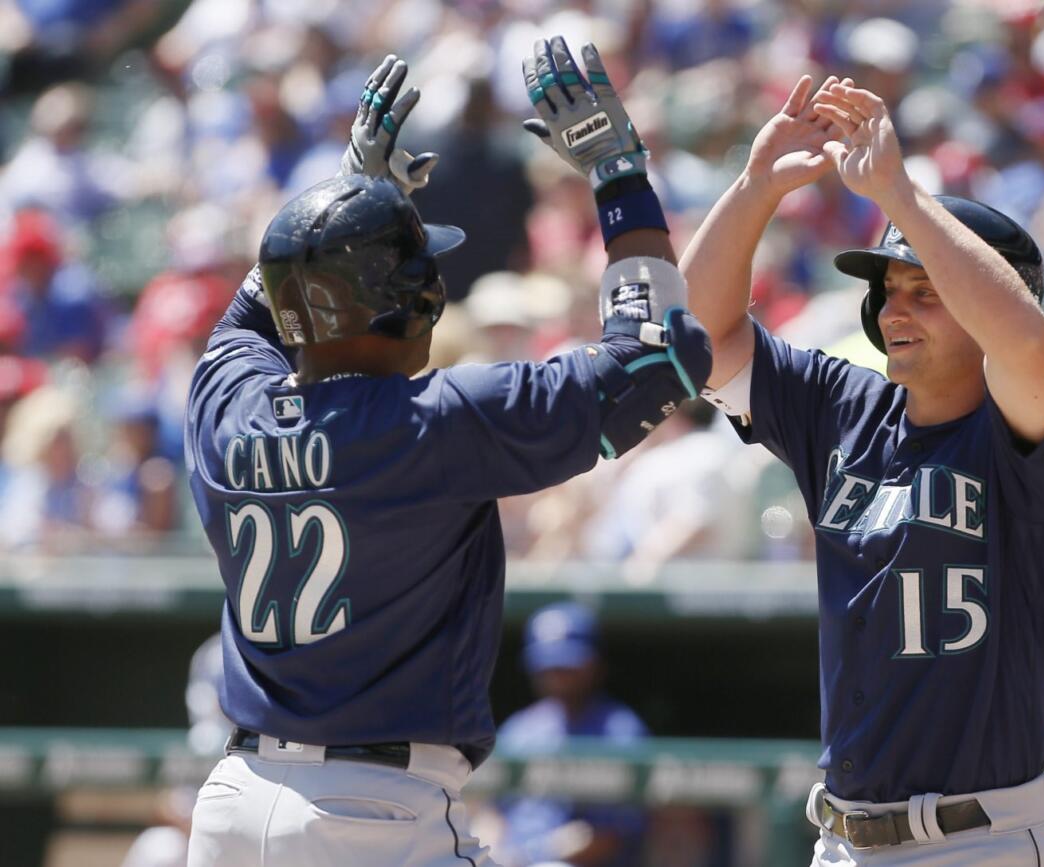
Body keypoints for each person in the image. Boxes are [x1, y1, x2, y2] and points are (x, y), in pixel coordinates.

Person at [183, 40, 711, 867]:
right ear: (414, 302)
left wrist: (346, 198)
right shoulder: (434, 420)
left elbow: (260, 307)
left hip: (233, 801)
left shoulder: (224, 401)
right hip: (373, 814)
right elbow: (661, 361)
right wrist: (620, 177)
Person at [680, 73, 1044, 865]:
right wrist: (756, 187)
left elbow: (1025, 344)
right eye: (890, 290)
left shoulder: (1030, 428)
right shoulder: (842, 408)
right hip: (844, 840)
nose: (894, 310)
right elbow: (696, 338)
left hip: (982, 837)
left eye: (924, 291)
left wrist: (897, 193)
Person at [490, 603, 648, 867]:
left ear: (593, 665)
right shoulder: (519, 729)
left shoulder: (620, 731)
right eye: (549, 666)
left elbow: (612, 836)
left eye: (566, 666)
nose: (557, 676)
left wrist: (531, 854)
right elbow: (492, 812)